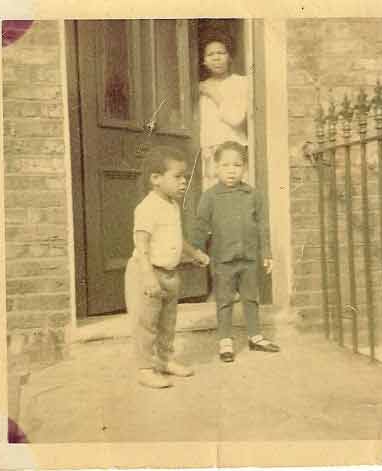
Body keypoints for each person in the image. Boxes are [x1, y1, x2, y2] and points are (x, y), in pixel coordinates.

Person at [125, 146, 210, 388]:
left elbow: (176, 238)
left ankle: (164, 360)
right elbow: (141, 244)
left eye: (185, 177)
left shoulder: (172, 206)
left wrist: (194, 253)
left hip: (170, 274)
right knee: (146, 323)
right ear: (156, 179)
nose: (184, 182)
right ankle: (144, 368)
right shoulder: (147, 208)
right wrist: (148, 276)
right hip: (147, 273)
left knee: (167, 322)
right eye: (177, 176)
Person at [192, 141, 280, 362]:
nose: (231, 170)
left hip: (249, 258)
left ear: (245, 168)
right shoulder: (210, 197)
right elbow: (201, 225)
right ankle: (225, 341)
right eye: (225, 165)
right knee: (224, 299)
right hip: (222, 259)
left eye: (237, 165)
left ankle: (255, 336)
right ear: (215, 168)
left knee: (251, 297)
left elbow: (262, 226)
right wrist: (197, 250)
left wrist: (266, 253)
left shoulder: (253, 195)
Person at [199, 30, 248, 190]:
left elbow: (236, 118)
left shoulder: (241, 83)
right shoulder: (201, 87)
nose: (216, 58)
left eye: (221, 52)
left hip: (233, 153)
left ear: (230, 57)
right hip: (210, 155)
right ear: (204, 60)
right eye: (210, 54)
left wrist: (215, 95)